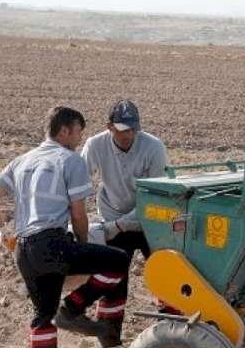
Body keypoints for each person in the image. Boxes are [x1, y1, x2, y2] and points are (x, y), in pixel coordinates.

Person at [0, 106, 132, 348]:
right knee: (119, 262)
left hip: (23, 250)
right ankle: (72, 309)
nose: (80, 139)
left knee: (43, 317)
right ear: (64, 131)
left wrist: (2, 229)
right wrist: (83, 245)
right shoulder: (71, 160)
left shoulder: (21, 161)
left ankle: (64, 314)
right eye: (78, 132)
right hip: (53, 244)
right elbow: (79, 215)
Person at [80, 99, 168, 342]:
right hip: (113, 217)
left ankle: (172, 335)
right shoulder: (95, 145)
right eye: (122, 129)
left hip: (149, 220)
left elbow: (154, 200)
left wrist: (117, 226)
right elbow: (78, 183)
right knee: (113, 282)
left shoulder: (154, 148)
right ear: (109, 127)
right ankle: (109, 341)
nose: (129, 134)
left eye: (133, 129)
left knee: (166, 276)